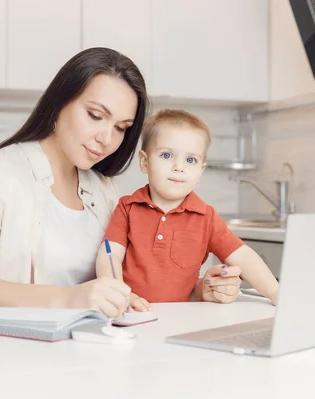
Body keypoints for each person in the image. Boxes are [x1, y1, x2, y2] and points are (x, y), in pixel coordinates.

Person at [0, 47, 150, 322]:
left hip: (89, 349)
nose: (106, 138)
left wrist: (200, 288)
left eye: (121, 128)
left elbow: (122, 277)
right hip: (12, 355)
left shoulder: (104, 188)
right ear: (59, 103)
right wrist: (69, 299)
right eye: (95, 116)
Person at [96, 109, 279, 311]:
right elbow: (110, 255)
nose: (179, 167)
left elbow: (243, 256)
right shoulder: (127, 207)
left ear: (200, 170)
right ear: (145, 162)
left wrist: (275, 293)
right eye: (167, 155)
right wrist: (119, 295)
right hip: (133, 314)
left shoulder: (206, 217)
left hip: (184, 318)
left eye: (190, 160)